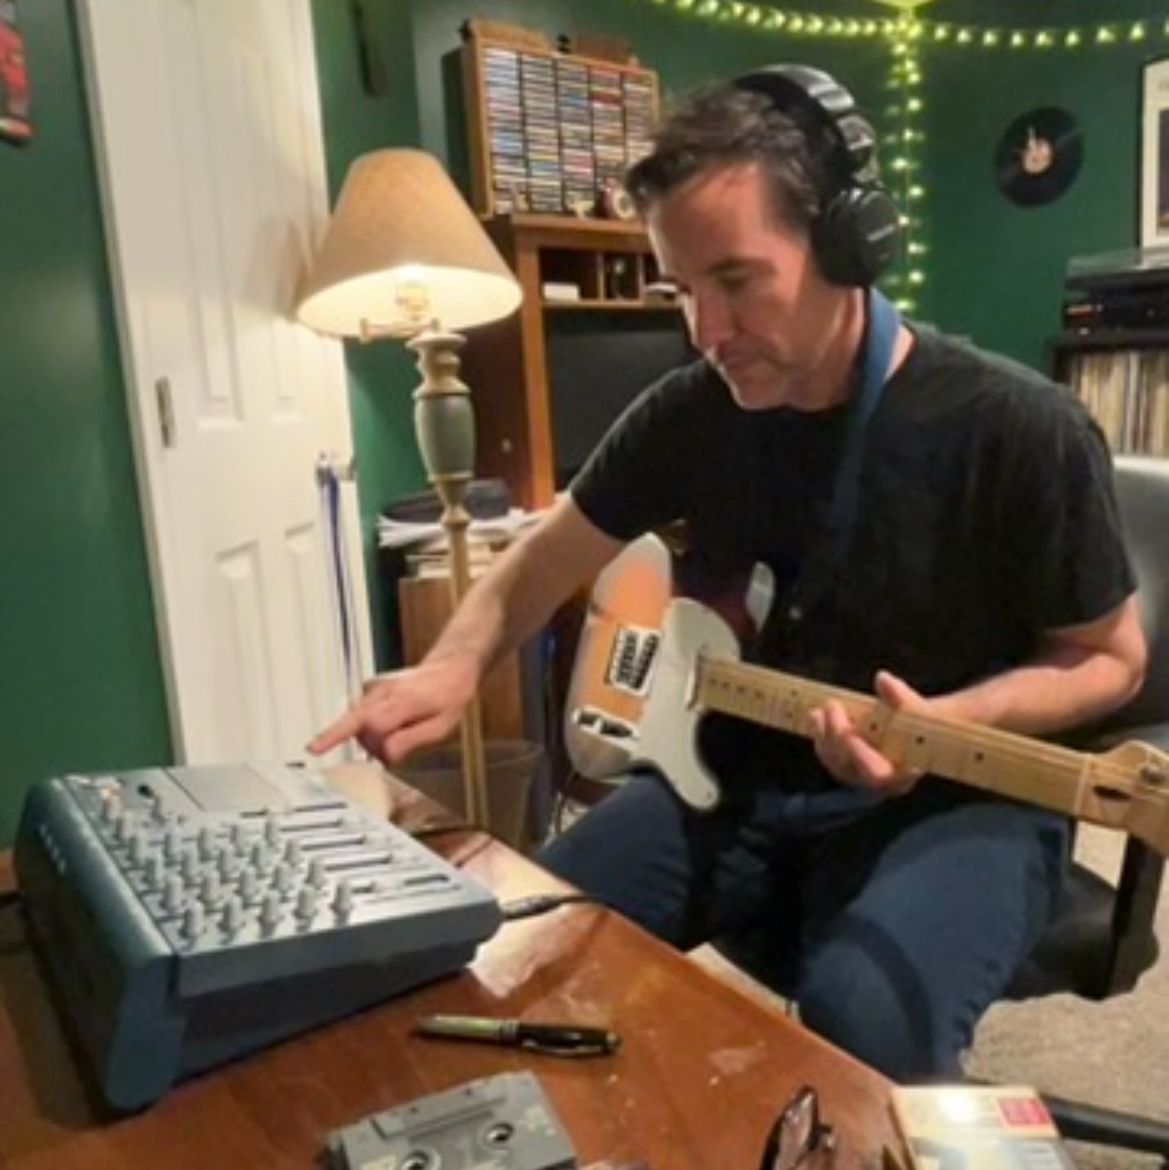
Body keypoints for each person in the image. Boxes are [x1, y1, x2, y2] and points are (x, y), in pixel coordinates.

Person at [311, 65, 1146, 1081]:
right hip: (736, 776)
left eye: (736, 281)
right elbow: (547, 553)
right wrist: (451, 667)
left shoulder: (1021, 429)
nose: (703, 332)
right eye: (680, 290)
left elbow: (1108, 658)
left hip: (962, 795)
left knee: (862, 1025)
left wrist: (943, 725)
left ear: (847, 247)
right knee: (525, 951)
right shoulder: (688, 412)